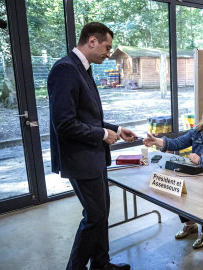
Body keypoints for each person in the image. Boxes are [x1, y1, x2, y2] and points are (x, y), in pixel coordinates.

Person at [48, 22, 136, 270]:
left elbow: (88, 116)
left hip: (93, 158)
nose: (108, 54)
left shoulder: (82, 69)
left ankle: (100, 263)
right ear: (92, 41)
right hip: (80, 159)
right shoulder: (65, 70)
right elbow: (64, 124)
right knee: (94, 216)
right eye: (107, 47)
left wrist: (116, 130)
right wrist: (101, 134)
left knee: (101, 214)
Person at [143, 99, 203, 249]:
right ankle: (190, 224)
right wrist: (157, 141)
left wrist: (202, 160)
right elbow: (177, 143)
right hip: (199, 175)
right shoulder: (197, 132)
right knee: (178, 191)